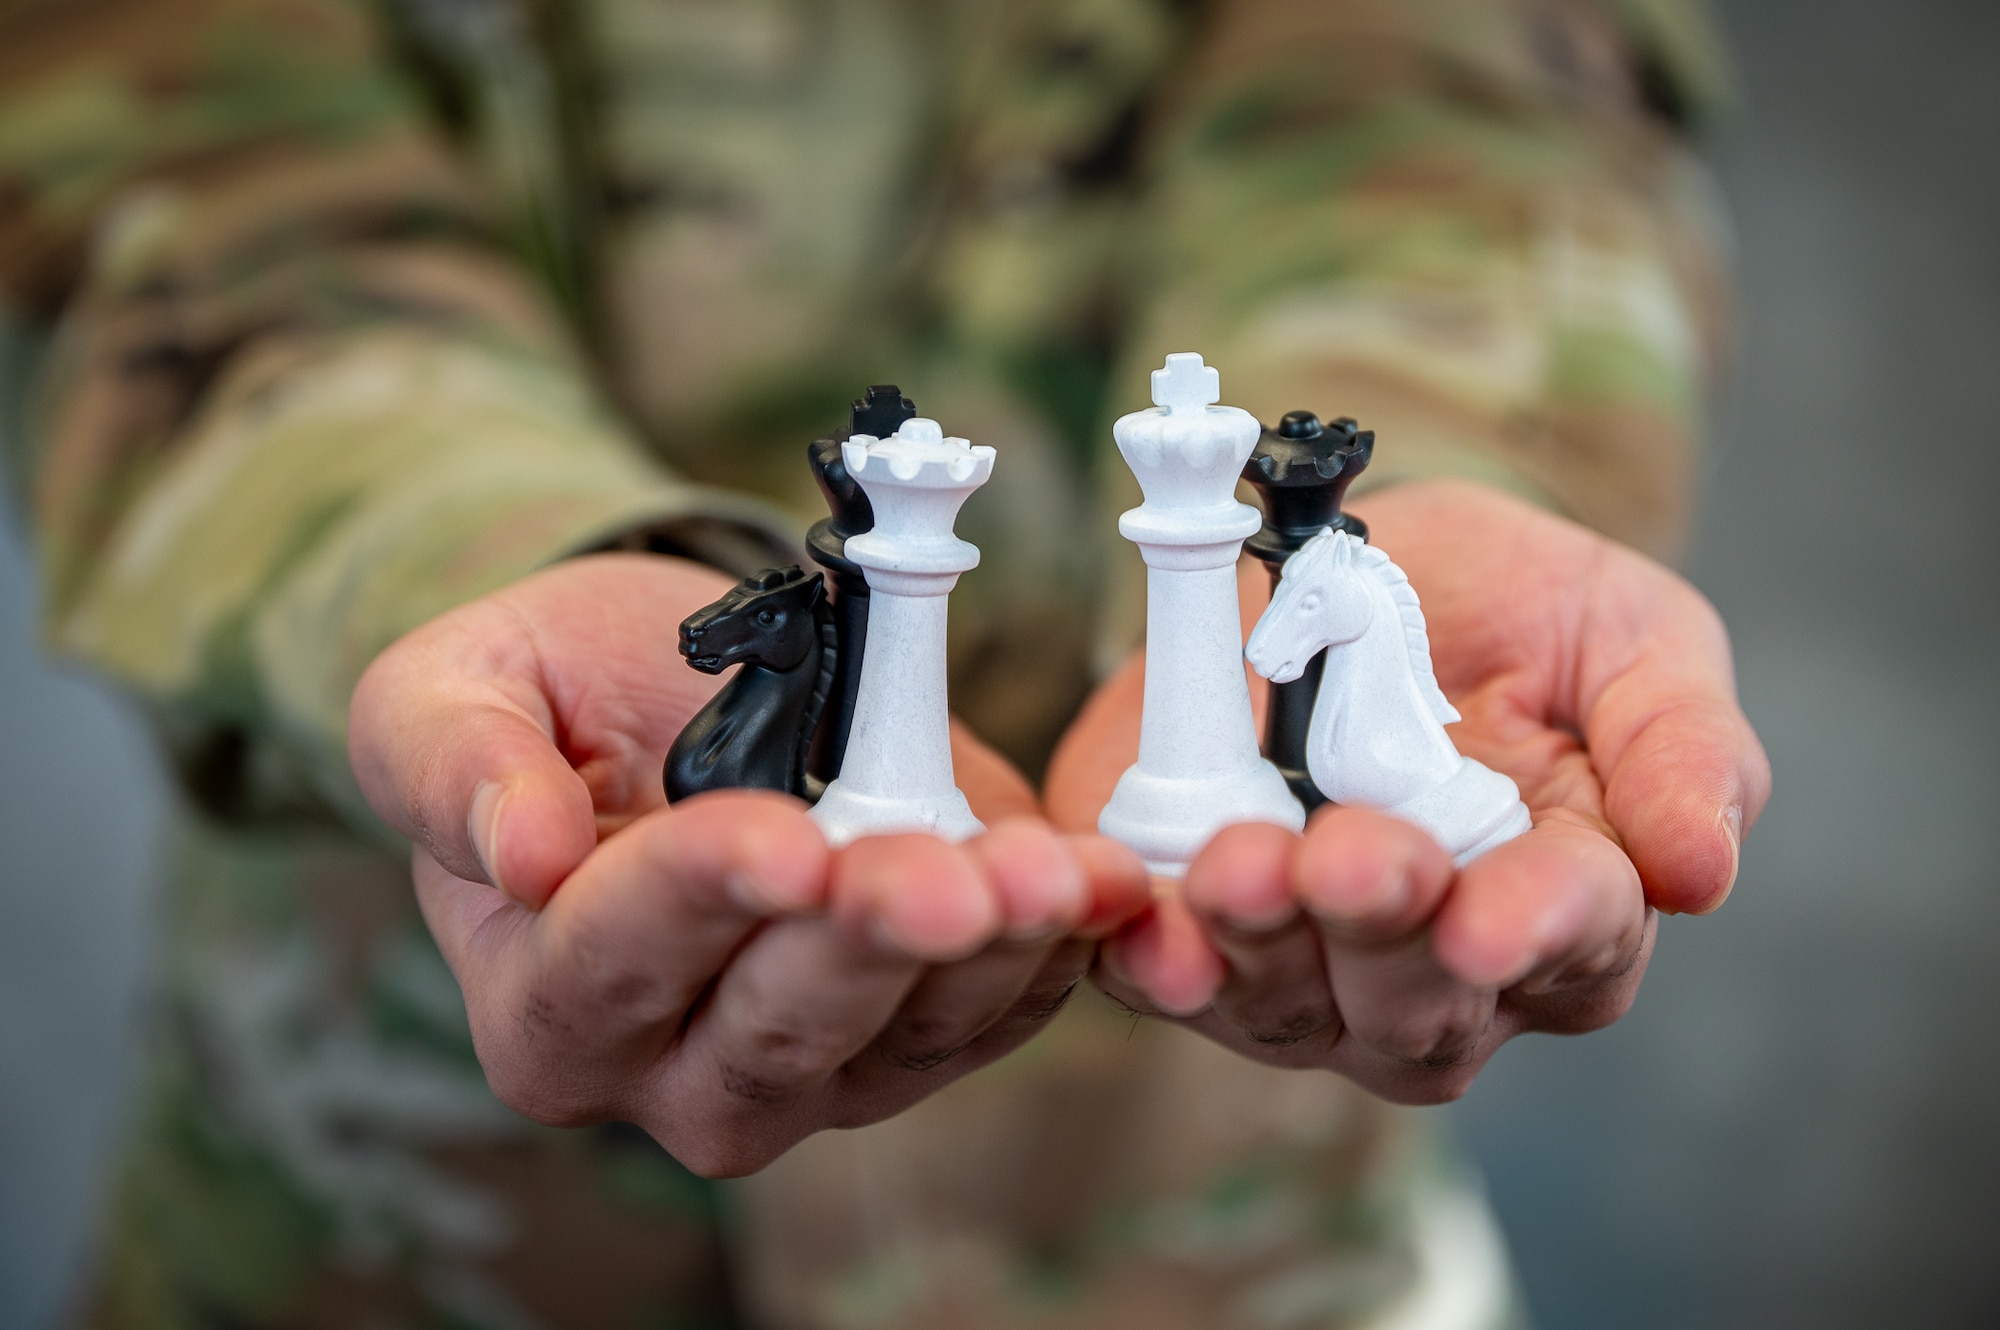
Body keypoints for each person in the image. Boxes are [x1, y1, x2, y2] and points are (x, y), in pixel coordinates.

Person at [0, 0, 1770, 1325]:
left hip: (1217, 1225)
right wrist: (483, 558)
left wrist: (1469, 458)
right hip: (381, 1210)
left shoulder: (1301, 569)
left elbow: (1452, 81)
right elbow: (176, 146)